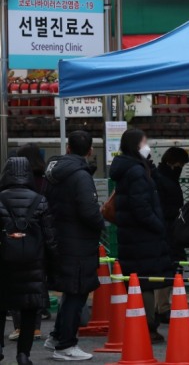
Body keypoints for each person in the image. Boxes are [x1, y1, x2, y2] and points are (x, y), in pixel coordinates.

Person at [43, 131, 105, 361]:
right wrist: (101, 223)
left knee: (70, 292)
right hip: (79, 243)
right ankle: (65, 345)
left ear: (68, 148)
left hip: (59, 239)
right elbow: (89, 211)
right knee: (77, 293)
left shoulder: (53, 173)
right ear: (90, 151)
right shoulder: (80, 176)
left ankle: (58, 337)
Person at [109, 129, 173, 344]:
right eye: (145, 142)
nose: (148, 145)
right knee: (144, 281)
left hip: (134, 235)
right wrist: (158, 226)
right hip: (143, 236)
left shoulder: (131, 168)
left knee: (141, 280)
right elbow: (141, 207)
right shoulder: (135, 171)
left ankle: (146, 324)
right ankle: (148, 326)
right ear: (136, 145)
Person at [0, 157, 57, 365]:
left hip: (4, 264)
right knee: (29, 310)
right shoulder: (39, 200)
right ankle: (23, 355)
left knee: (1, 306)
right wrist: (52, 265)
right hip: (33, 264)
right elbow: (50, 238)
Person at [8, 144, 49, 341]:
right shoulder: (45, 182)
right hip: (36, 244)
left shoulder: (4, 193)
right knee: (35, 284)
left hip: (11, 245)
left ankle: (18, 327)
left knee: (14, 285)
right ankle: (35, 327)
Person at [152, 147, 189, 324]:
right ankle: (162, 307)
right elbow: (165, 207)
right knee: (167, 268)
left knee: (167, 268)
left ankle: (161, 306)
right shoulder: (164, 180)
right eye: (180, 164)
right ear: (172, 162)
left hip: (167, 231)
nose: (181, 167)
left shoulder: (164, 177)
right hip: (167, 231)